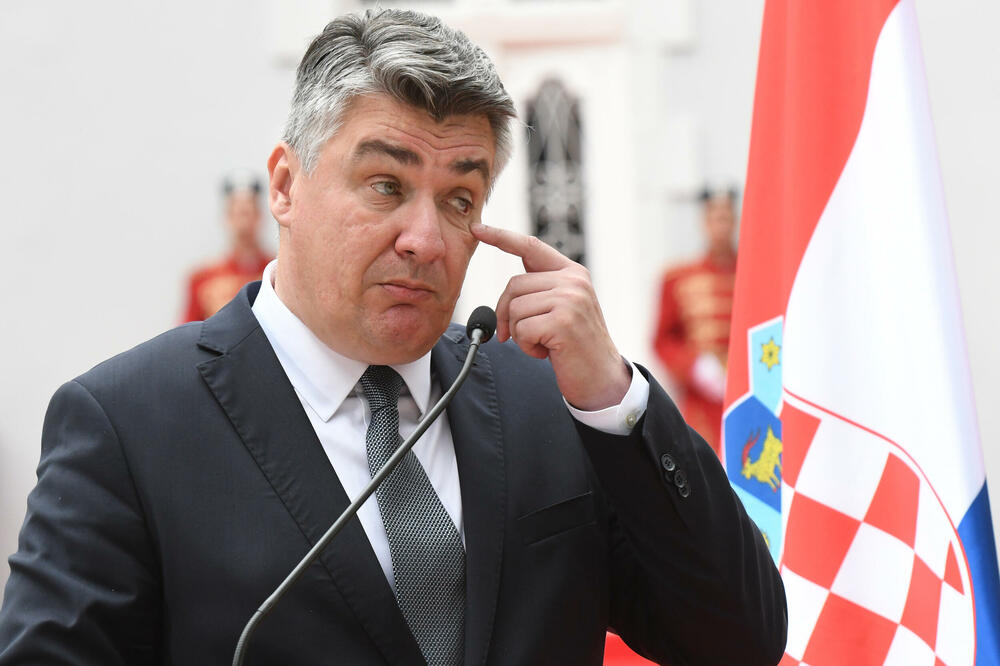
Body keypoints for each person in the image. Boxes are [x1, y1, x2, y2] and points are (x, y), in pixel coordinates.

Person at [0, 10, 785, 665]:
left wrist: (614, 400)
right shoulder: (130, 426)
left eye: (460, 199)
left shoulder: (549, 404)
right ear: (285, 185)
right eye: (386, 185)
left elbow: (737, 638)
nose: (426, 239)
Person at [653, 187, 739, 456]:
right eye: (715, 218)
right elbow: (663, 340)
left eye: (726, 217)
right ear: (704, 222)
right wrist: (695, 367)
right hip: (701, 402)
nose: (721, 226)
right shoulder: (678, 278)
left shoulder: (755, 274)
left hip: (747, 390)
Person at [181, 173, 273, 322]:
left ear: (260, 216)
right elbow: (187, 330)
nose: (243, 220)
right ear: (226, 217)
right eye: (237, 212)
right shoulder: (203, 279)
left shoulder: (276, 273)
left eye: (249, 212)